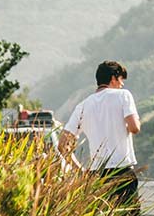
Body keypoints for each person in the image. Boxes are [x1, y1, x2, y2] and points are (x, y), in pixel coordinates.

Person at [59, 60, 142, 206]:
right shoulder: (123, 95)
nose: (122, 84)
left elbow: (62, 144)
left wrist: (80, 170)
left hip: (97, 173)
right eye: (121, 79)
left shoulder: (82, 106)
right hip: (122, 171)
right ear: (113, 78)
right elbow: (135, 128)